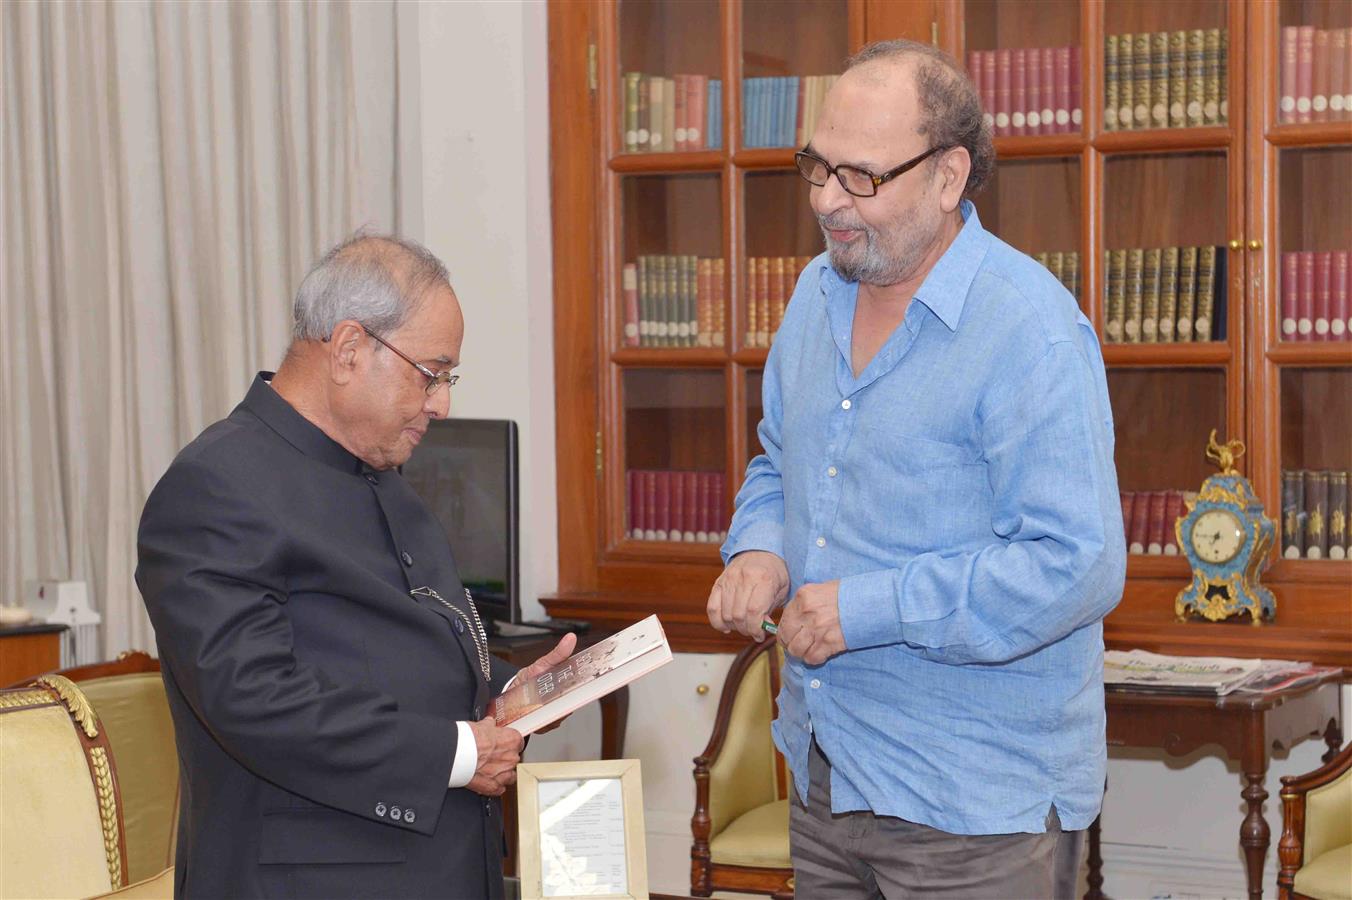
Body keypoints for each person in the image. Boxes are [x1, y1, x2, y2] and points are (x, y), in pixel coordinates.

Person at [707, 39, 1125, 899]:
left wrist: (866, 609)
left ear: (948, 176)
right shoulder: (813, 294)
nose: (828, 201)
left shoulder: (1029, 330)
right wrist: (759, 551)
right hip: (826, 772)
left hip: (975, 809)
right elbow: (782, 463)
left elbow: (1076, 565)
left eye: (862, 177)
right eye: (816, 167)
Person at [137, 234, 574, 898]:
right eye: (432, 372)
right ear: (348, 349)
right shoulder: (215, 484)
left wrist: (503, 693)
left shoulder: (380, 473)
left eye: (448, 378)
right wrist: (457, 754)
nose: (441, 403)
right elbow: (254, 701)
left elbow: (392, 649)